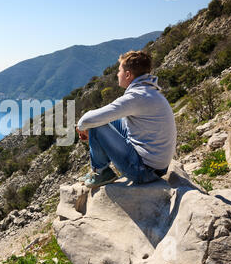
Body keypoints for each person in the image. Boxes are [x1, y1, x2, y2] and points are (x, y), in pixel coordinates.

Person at [75, 50, 176, 188]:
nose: (117, 74)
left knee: (95, 125)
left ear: (128, 75)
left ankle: (101, 172)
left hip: (144, 171)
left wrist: (82, 128)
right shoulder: (150, 91)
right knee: (105, 121)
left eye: (119, 70)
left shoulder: (136, 96)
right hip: (158, 167)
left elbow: (86, 120)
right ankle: (99, 170)